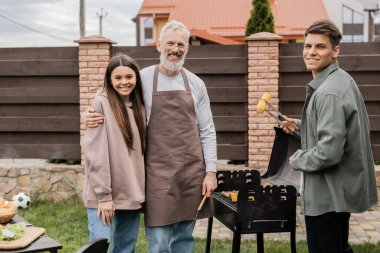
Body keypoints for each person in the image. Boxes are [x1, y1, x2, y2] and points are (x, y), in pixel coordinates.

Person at [85, 20, 217, 253]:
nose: (175, 49)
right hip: (156, 173)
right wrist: (91, 111)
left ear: (187, 48)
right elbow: (113, 91)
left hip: (190, 172)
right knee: (158, 242)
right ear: (158, 45)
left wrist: (211, 171)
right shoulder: (142, 79)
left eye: (181, 44)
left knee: (185, 239)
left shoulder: (197, 84)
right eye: (170, 43)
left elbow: (207, 130)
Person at [282, 19, 378, 253]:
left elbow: (329, 152)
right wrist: (300, 126)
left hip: (328, 196)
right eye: (307, 46)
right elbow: (336, 129)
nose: (311, 52)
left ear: (335, 51)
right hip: (337, 194)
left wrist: (297, 159)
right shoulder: (339, 80)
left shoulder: (328, 93)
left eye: (320, 46)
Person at [81, 54, 146, 253]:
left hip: (131, 191)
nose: (124, 82)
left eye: (129, 77)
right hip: (103, 194)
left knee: (126, 248)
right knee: (99, 248)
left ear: (136, 78)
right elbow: (95, 152)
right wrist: (104, 197)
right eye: (118, 78)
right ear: (109, 79)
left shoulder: (141, 106)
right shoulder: (100, 104)